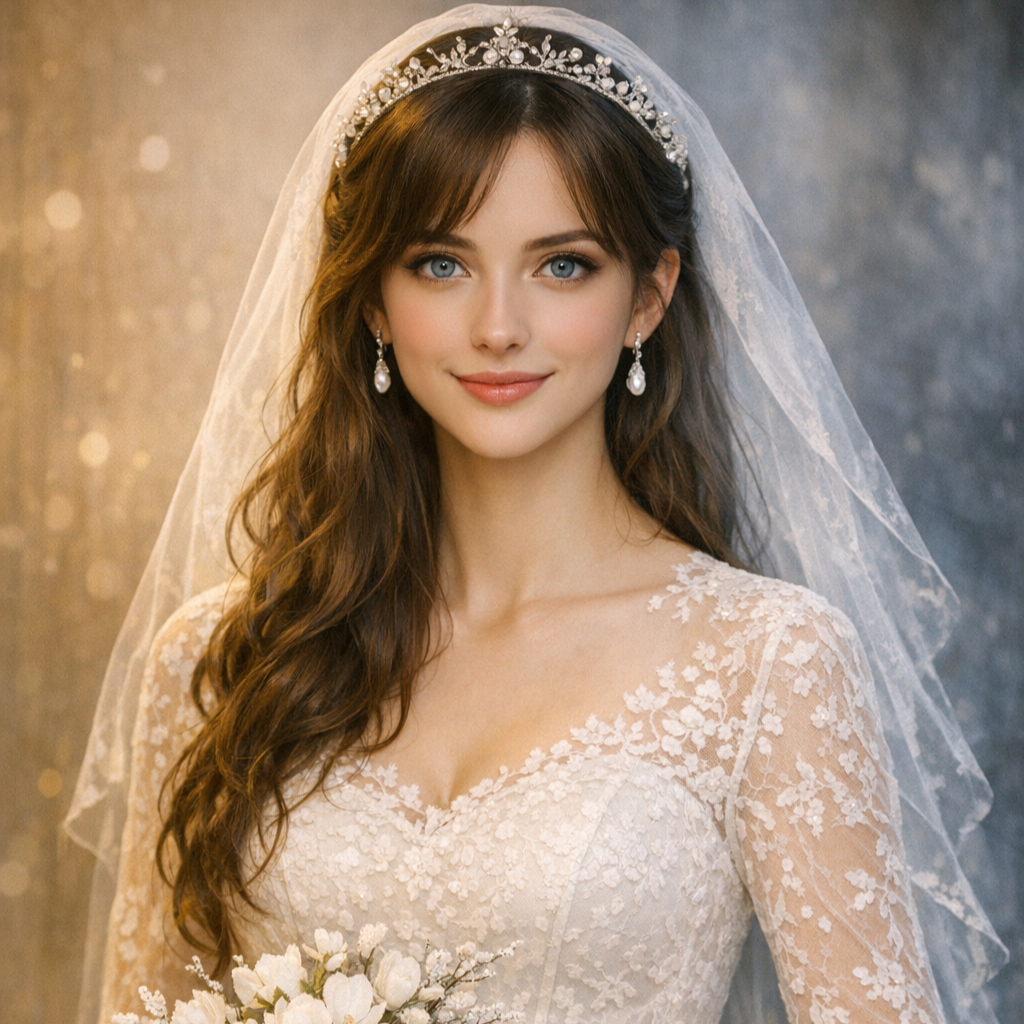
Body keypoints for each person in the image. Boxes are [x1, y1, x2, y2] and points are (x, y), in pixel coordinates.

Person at [66, 6, 1007, 1024]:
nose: (498, 327)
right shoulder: (218, 658)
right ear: (373, 301)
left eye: (563, 265)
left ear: (648, 296)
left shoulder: (768, 659)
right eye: (440, 263)